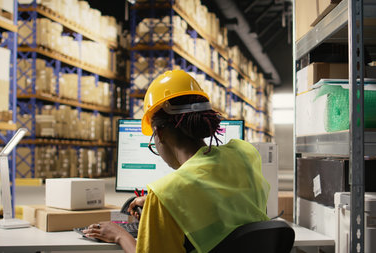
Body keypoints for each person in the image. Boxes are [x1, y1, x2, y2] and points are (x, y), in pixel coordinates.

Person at [83, 70, 270, 253]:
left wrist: (121, 236)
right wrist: (168, 202)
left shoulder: (165, 194)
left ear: (160, 133)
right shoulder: (245, 154)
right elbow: (223, 193)